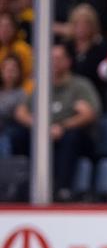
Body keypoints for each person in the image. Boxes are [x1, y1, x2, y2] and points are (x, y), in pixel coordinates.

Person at [11, 41, 100, 200]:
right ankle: (22, 186)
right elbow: (20, 112)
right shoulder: (42, 86)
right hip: (45, 134)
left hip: (72, 136)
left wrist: (63, 127)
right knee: (18, 136)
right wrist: (40, 127)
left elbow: (89, 113)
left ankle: (62, 189)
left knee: (71, 138)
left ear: (68, 61)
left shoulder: (79, 85)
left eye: (58, 58)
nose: (54, 62)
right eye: (51, 58)